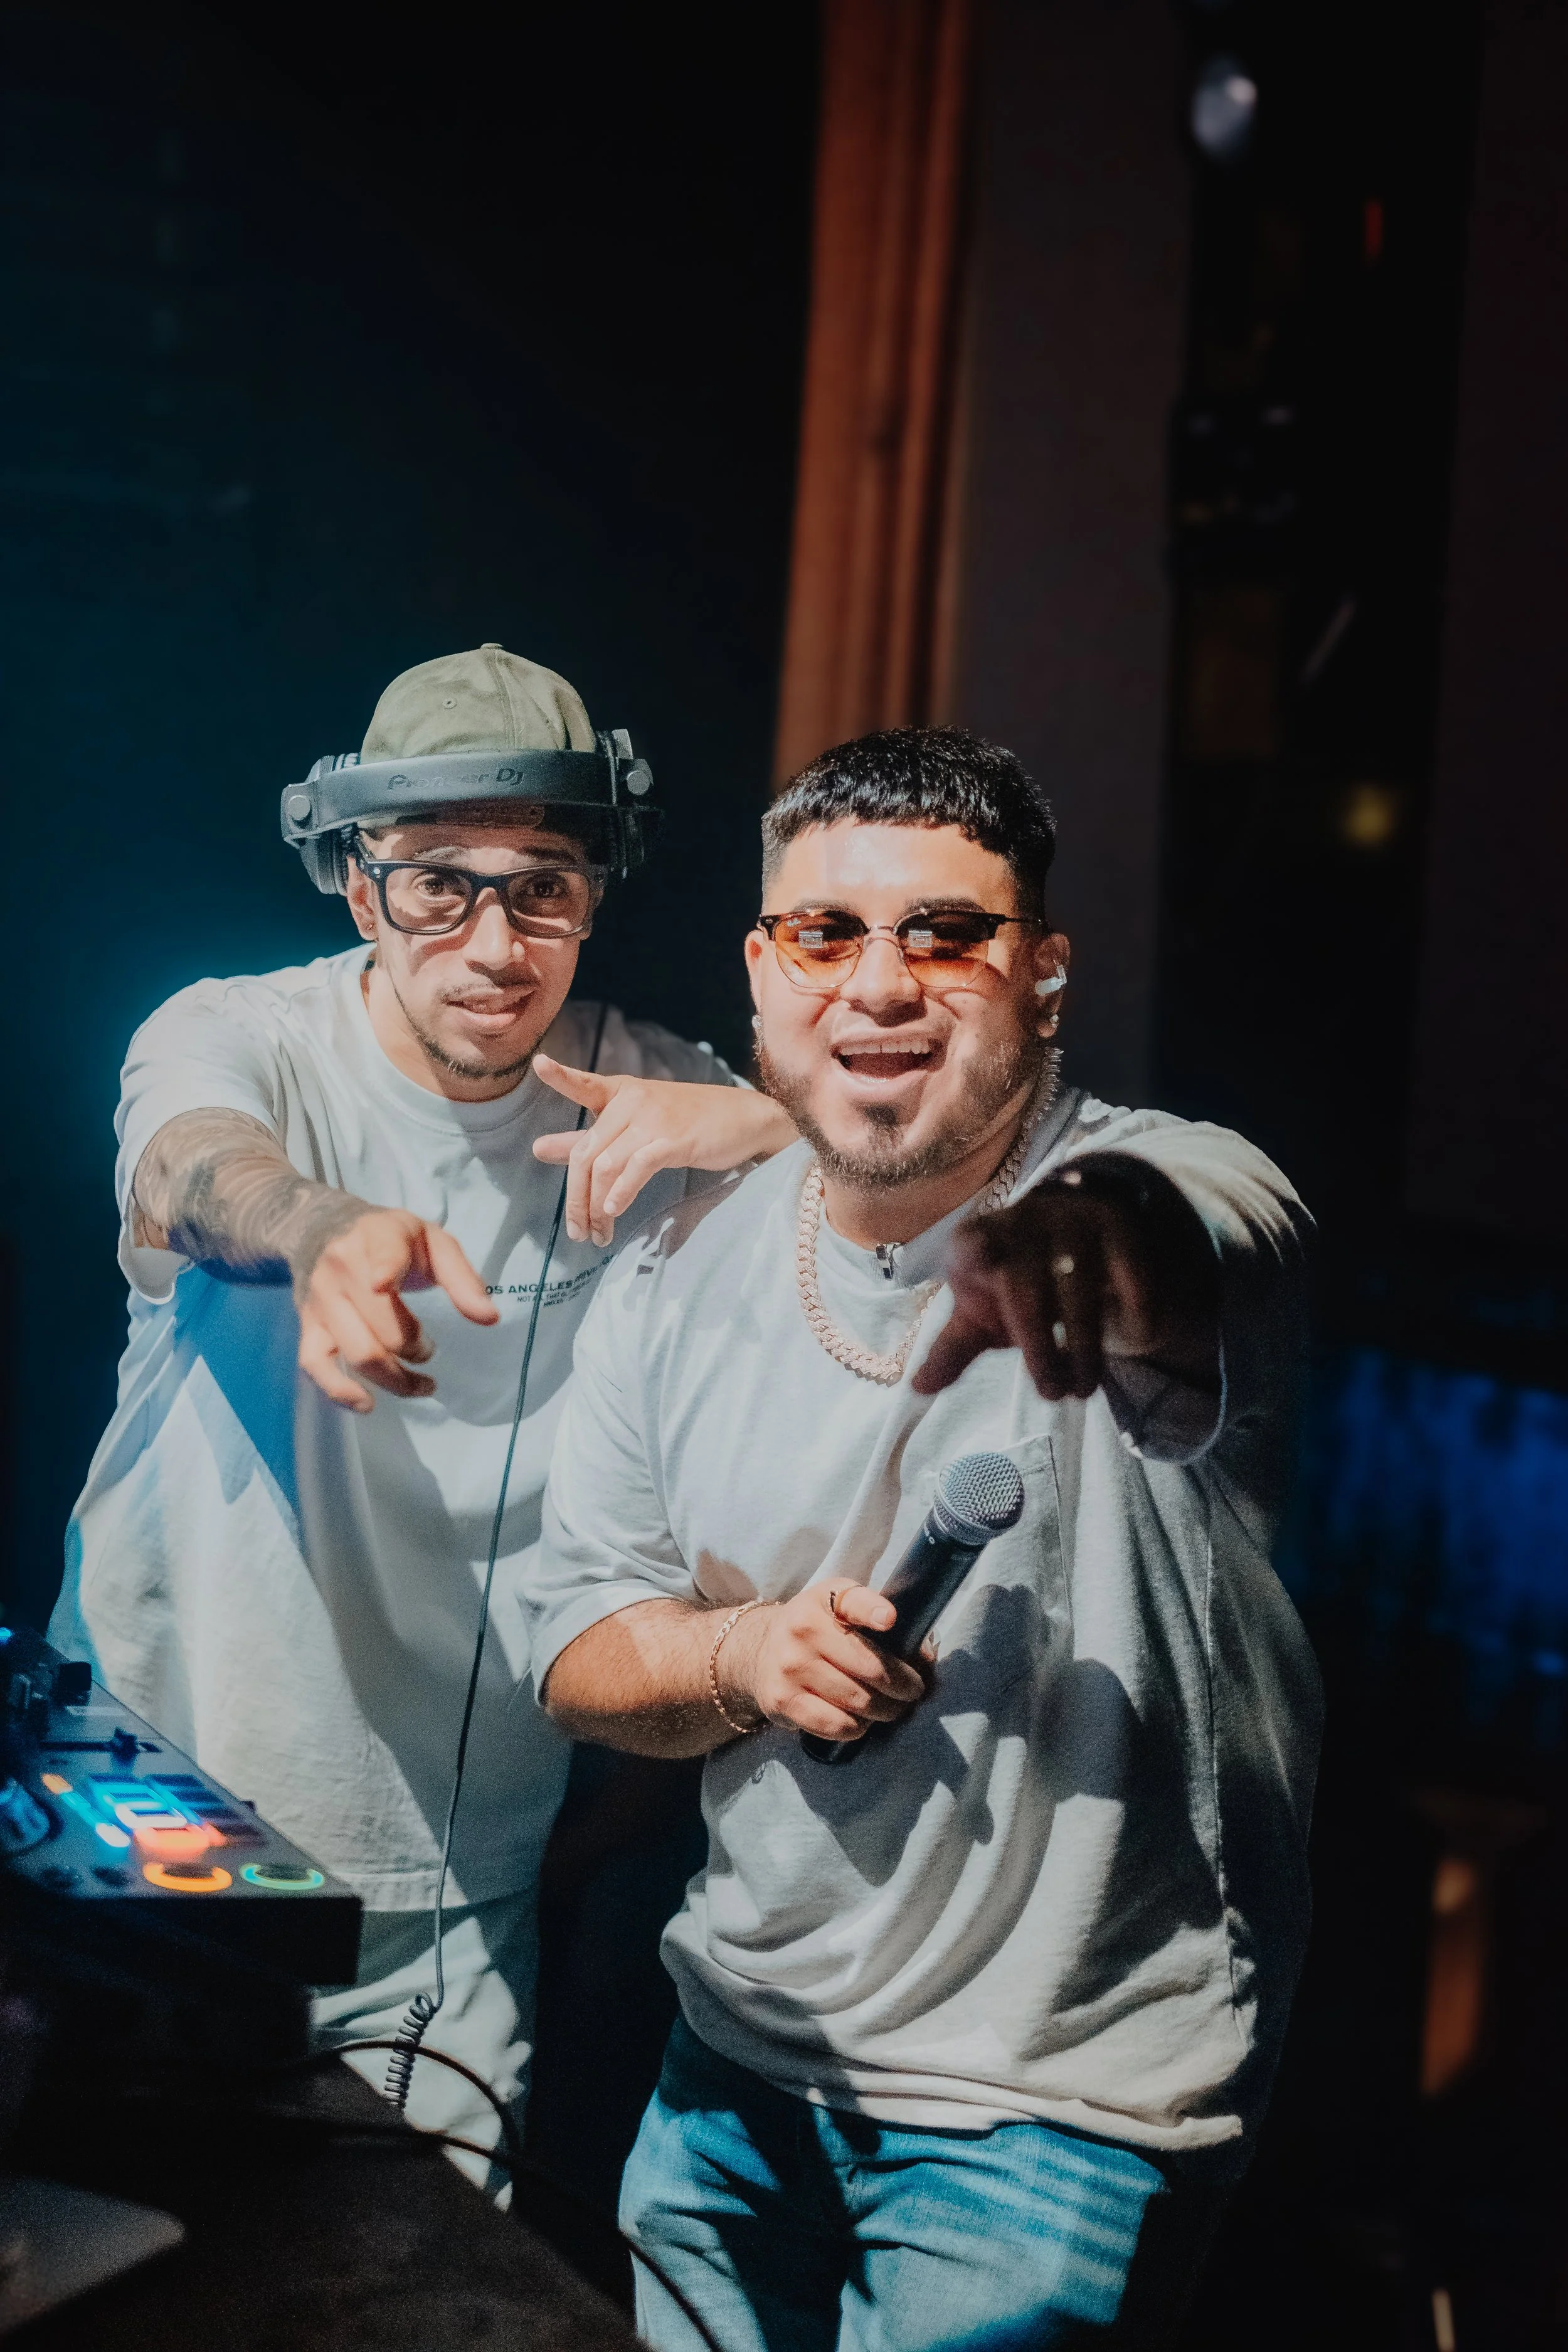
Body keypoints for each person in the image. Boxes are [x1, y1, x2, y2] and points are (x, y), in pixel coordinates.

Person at [525, 725, 1322, 2348]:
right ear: (760, 972)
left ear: (1040, 971)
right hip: (729, 2064)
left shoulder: (1170, 1176)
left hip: (1049, 2106)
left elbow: (1187, 1244)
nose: (879, 982)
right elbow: (576, 1645)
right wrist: (749, 1649)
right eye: (826, 932)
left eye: (946, 933)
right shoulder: (676, 1274)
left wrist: (1083, 1246)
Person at [50, 644, 793, 2177]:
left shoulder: (651, 1097)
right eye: (436, 884)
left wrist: (778, 1125)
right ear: (351, 880)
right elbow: (194, 1165)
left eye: (545, 887)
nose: (494, 942)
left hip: (449, 1894)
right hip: (142, 1837)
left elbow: (910, 1211)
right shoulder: (241, 1035)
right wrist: (317, 1232)